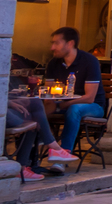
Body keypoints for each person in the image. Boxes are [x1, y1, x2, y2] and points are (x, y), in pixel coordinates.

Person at [43, 27, 106, 156]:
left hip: (93, 106)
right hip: (62, 104)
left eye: (56, 43)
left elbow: (89, 98)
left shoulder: (89, 61)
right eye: (52, 43)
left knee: (75, 109)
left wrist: (62, 105)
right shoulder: (53, 63)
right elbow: (49, 93)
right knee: (35, 110)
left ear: (70, 43)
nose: (52, 48)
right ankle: (31, 160)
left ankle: (64, 154)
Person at [8, 92, 75, 180]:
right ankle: (55, 149)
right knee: (34, 115)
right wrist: (11, 103)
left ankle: (23, 167)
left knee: (36, 105)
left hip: (3, 106)